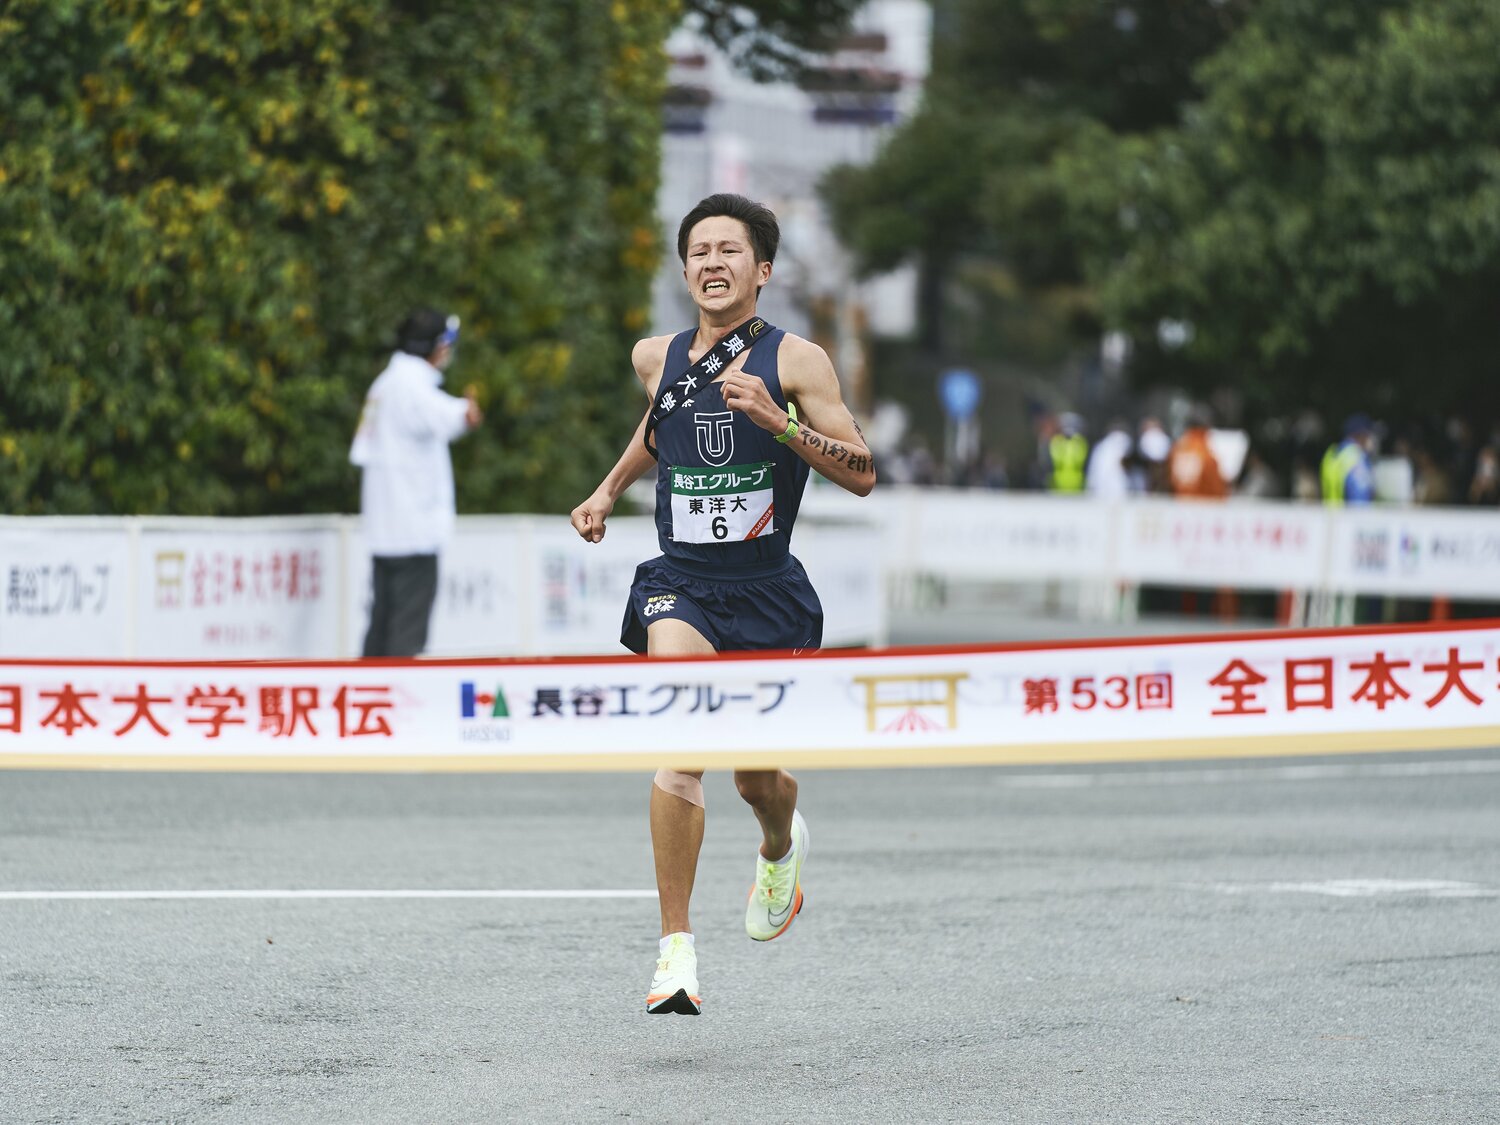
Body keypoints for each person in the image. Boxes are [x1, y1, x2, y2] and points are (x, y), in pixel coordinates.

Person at [570, 193, 875, 1016]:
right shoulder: (654, 355)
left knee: (756, 779)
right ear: (683, 268)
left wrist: (780, 425)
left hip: (768, 590)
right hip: (682, 584)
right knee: (685, 736)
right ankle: (676, 950)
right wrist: (605, 489)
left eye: (729, 250)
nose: (712, 261)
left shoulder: (798, 360)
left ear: (762, 269)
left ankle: (781, 843)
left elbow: (860, 467)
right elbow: (658, 425)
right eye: (698, 249)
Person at [350, 307, 482, 657]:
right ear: (437, 346)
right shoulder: (411, 384)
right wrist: (467, 413)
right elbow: (452, 417)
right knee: (405, 637)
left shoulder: (385, 383)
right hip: (413, 529)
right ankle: (394, 705)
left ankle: (369, 698)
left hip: (385, 529)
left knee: (380, 628)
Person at [1319, 413, 1375, 506]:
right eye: (1368, 435)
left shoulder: (1334, 453)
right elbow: (1360, 498)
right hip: (1352, 518)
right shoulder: (1356, 458)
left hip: (1332, 515)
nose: (1370, 439)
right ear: (1360, 435)